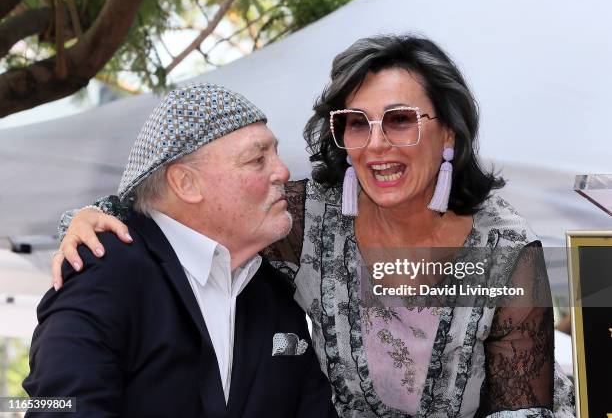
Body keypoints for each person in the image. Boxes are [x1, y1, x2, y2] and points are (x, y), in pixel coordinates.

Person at [51, 35, 575, 417]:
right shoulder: (306, 221)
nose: (376, 144)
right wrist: (86, 218)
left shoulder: (506, 251)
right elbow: (184, 210)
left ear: (449, 137)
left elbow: (521, 408)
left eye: (399, 119)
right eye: (356, 123)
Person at [24, 83, 337, 417]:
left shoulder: (272, 293)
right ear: (186, 183)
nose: (283, 171)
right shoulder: (107, 268)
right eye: (258, 159)